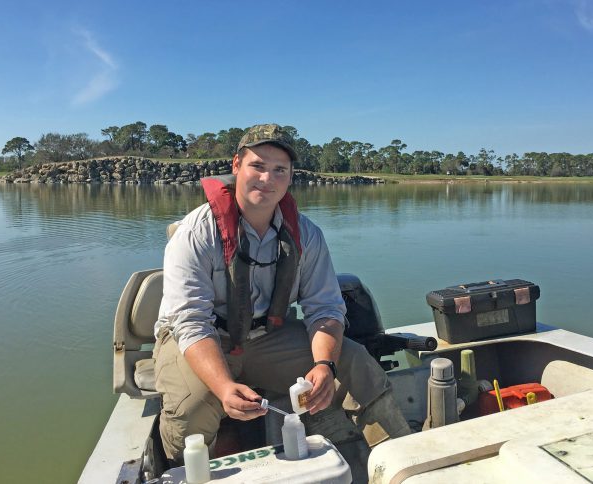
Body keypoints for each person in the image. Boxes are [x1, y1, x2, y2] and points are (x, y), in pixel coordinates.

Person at [153, 123, 410, 462]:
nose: (267, 178)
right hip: (199, 338)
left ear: (290, 176)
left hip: (266, 337)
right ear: (236, 166)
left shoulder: (307, 234)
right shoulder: (196, 233)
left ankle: (402, 459)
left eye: (279, 170)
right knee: (193, 407)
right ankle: (186, 470)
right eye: (257, 166)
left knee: (354, 360)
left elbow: (326, 310)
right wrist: (223, 387)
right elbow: (190, 322)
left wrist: (324, 365)